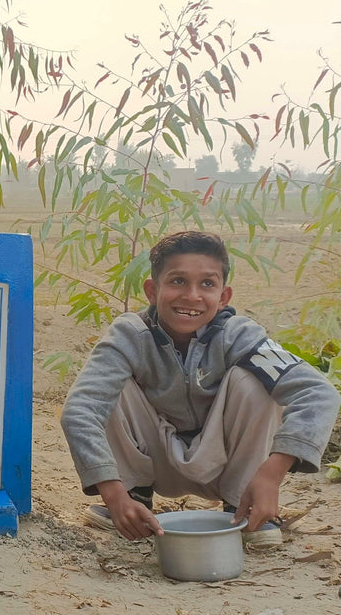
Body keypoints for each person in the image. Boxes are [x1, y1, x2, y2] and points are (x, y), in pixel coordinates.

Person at [60, 230, 340, 547]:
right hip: (155, 460)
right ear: (152, 290)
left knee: (254, 382)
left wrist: (271, 474)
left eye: (207, 284)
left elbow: (319, 393)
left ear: (224, 297)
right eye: (178, 281)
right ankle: (132, 497)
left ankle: (243, 505)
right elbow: (80, 410)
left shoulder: (240, 335)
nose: (192, 296)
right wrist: (112, 493)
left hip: (221, 463)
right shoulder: (129, 335)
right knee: (111, 386)